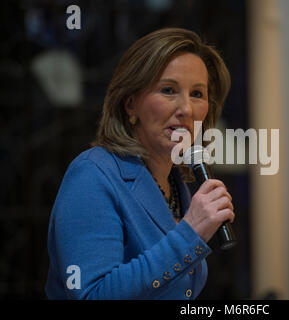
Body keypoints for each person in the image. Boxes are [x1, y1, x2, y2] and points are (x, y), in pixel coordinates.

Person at [45, 28, 235, 299]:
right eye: (168, 90)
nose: (187, 109)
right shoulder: (92, 175)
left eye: (197, 94)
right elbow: (92, 295)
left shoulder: (177, 182)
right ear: (130, 103)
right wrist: (190, 233)